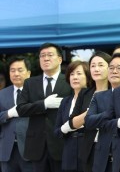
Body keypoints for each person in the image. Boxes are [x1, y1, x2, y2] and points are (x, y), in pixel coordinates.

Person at [16, 43, 73, 172]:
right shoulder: (30, 83)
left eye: (50, 55)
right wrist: (44, 104)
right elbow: (20, 109)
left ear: (59, 59)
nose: (46, 58)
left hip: (62, 144)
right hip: (36, 146)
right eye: (42, 56)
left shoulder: (70, 80)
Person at [85, 53, 120, 172]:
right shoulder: (99, 96)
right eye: (111, 68)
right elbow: (88, 121)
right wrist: (108, 113)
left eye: (119, 68)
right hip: (102, 157)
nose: (114, 71)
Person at [68, 51, 111, 172]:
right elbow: (72, 122)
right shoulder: (85, 93)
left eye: (101, 65)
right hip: (88, 148)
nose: (96, 69)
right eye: (93, 66)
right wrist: (89, 114)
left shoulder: (116, 92)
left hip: (110, 148)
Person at [54, 61, 91, 172]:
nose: (75, 77)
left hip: (88, 152)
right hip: (69, 154)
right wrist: (67, 127)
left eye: (79, 74)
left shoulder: (94, 97)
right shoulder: (65, 101)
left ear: (88, 77)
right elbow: (57, 132)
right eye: (72, 74)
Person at [0, 56, 33, 172]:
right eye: (12, 70)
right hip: (7, 151)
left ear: (28, 73)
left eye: (20, 70)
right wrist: (8, 114)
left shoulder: (36, 93)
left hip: (30, 151)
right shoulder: (2, 94)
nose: (16, 74)